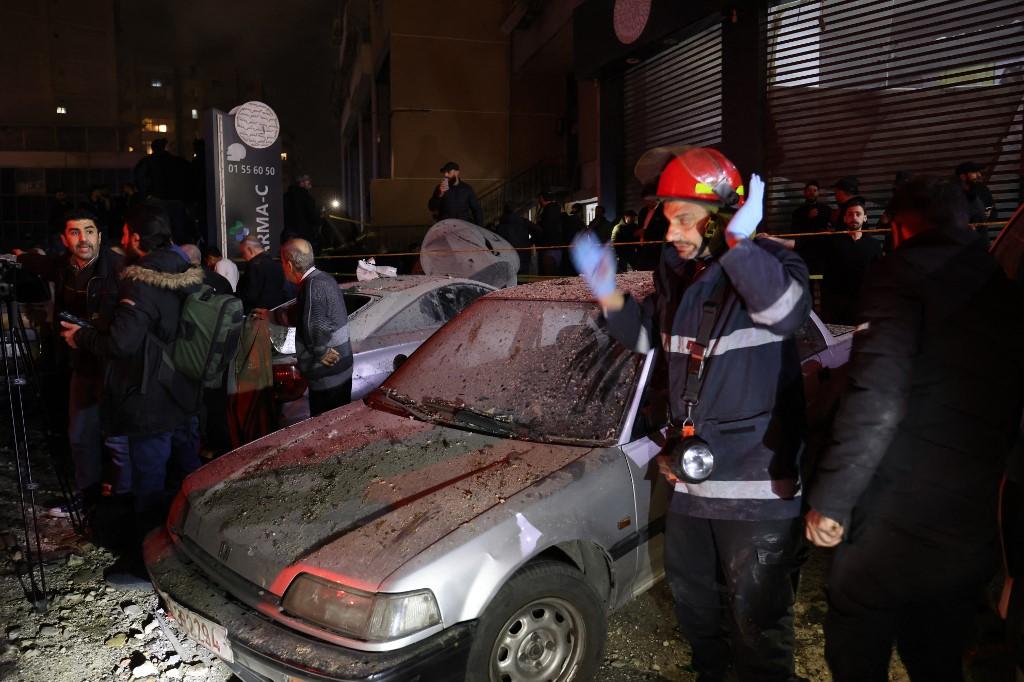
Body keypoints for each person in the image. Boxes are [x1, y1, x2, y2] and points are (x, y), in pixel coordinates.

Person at [572, 146, 811, 682]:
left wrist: (739, 244)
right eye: (667, 218)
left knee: (759, 628)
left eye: (683, 217)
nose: (672, 231)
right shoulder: (681, 279)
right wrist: (609, 294)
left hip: (755, 489)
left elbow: (785, 311)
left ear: (723, 215)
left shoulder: (770, 262)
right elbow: (643, 337)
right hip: (692, 481)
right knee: (697, 609)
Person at [804, 176, 1024, 681]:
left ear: (900, 227)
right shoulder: (998, 280)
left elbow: (878, 397)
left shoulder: (898, 275)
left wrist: (833, 500)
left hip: (898, 503)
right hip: (971, 509)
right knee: (938, 646)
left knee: (857, 628)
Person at [62, 199, 204, 585]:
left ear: (137, 239)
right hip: (185, 392)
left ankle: (148, 563)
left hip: (151, 400)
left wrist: (83, 336)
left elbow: (123, 343)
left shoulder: (139, 279)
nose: (122, 239)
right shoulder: (188, 270)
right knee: (185, 476)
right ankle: (193, 551)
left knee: (149, 483)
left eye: (125, 233)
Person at [15, 208, 129, 524]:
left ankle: (122, 504)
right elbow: (38, 263)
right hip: (82, 366)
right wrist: (18, 257)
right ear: (65, 239)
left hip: (114, 368)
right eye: (75, 232)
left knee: (118, 438)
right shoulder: (63, 266)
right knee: (80, 434)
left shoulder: (120, 270)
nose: (83, 238)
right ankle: (88, 497)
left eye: (89, 230)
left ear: (100, 236)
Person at [279, 238, 352, 416]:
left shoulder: (312, 286)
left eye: (281, 262)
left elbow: (316, 326)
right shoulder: (324, 278)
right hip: (341, 372)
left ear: (289, 265)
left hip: (327, 379)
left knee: (325, 430)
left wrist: (320, 351)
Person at [819, 197, 883, 324]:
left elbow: (879, 275)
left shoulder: (874, 245)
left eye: (858, 214)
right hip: (837, 306)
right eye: (850, 214)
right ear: (844, 218)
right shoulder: (833, 242)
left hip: (864, 304)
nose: (854, 217)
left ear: (865, 218)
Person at [236, 236, 285, 313]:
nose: (243, 257)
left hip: (258, 315)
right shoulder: (277, 265)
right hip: (276, 313)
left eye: (243, 253)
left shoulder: (253, 266)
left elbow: (250, 295)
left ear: (250, 250)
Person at [427, 161, 482, 225]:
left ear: (457, 172)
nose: (445, 175)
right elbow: (431, 207)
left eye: (448, 172)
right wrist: (440, 194)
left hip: (463, 227)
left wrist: (479, 227)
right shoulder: (440, 188)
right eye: (444, 172)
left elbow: (477, 209)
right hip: (445, 227)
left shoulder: (467, 189)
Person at [955, 161, 998, 240]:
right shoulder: (951, 193)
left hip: (981, 241)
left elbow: (993, 212)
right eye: (974, 172)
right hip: (960, 243)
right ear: (963, 176)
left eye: (979, 172)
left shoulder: (983, 189)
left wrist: (989, 214)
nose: (979, 175)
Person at [494, 203, 534, 276]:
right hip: (524, 253)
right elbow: (538, 230)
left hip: (508, 255)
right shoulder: (524, 222)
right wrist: (530, 242)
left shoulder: (500, 226)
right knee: (523, 279)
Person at [283, 174, 320, 244]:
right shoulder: (306, 197)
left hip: (289, 233)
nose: (310, 182)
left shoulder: (286, 196)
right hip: (304, 233)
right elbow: (312, 216)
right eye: (307, 180)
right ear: (301, 183)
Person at [535, 191, 564, 276]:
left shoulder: (548, 210)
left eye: (539, 199)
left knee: (548, 274)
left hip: (549, 246)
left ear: (542, 199)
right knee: (554, 272)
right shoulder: (557, 209)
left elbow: (545, 228)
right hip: (558, 245)